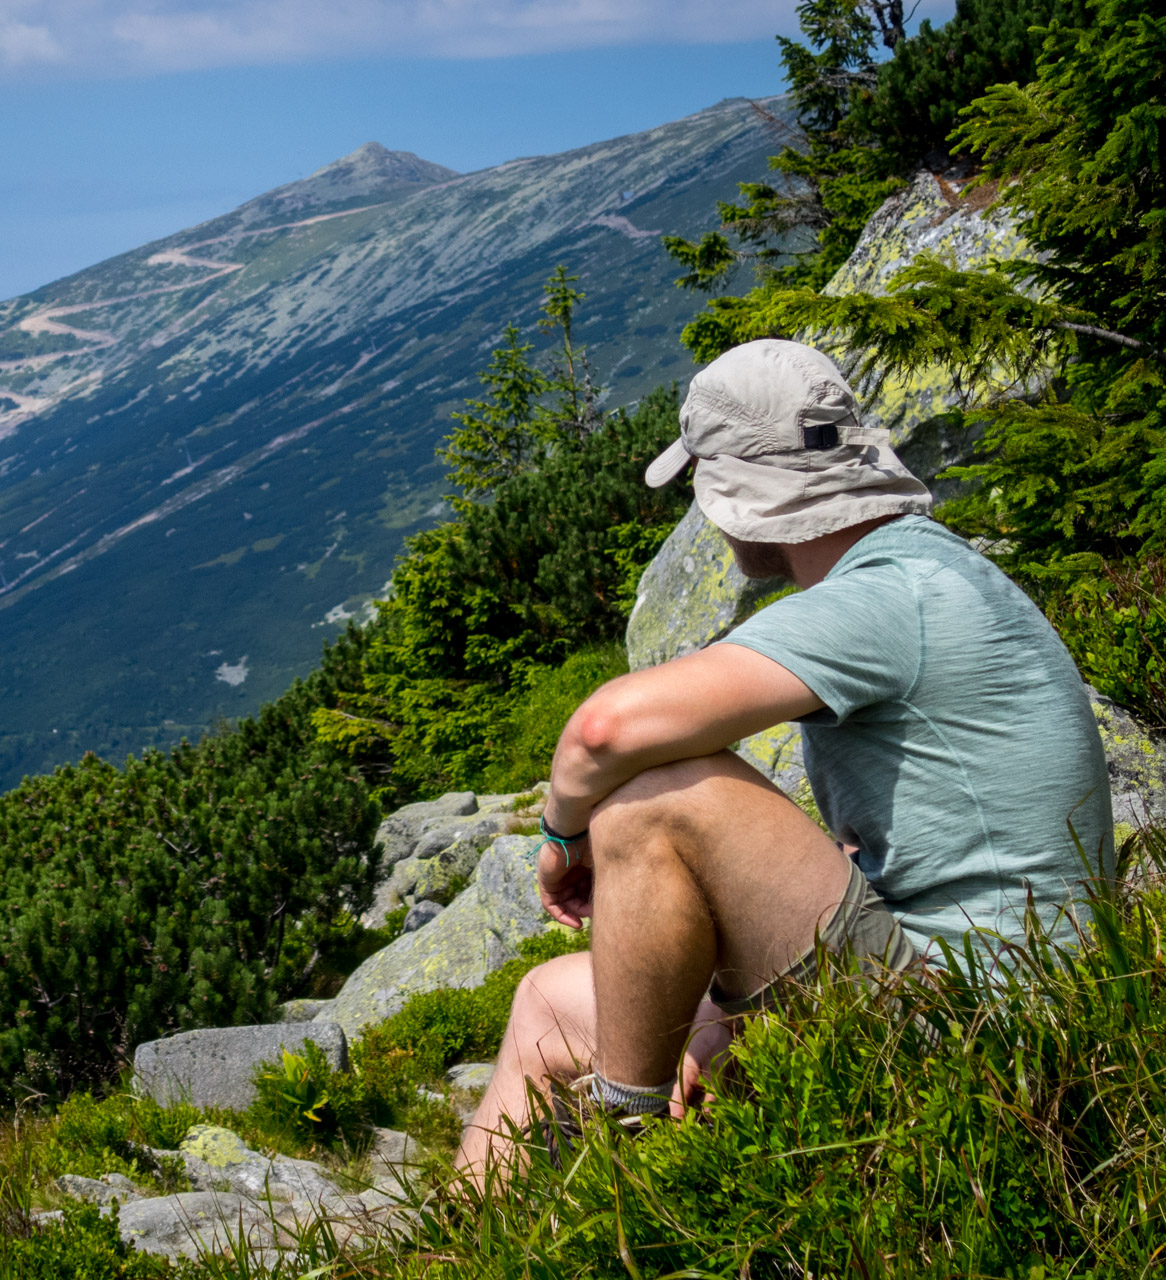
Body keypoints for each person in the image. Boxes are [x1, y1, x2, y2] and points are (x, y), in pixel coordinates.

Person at [455, 338, 1115, 1179]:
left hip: (979, 1030)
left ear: (735, 494)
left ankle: (641, 1154)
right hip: (985, 996)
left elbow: (603, 732)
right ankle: (454, 1248)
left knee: (657, 799)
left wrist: (562, 843)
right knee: (545, 1002)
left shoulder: (885, 594)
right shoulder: (930, 568)